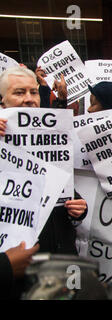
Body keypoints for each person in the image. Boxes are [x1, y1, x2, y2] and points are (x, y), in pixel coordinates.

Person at [0, 66, 88, 254]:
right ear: (2, 101)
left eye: (34, 92)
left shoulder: (52, 135)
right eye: (19, 92)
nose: (29, 99)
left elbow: (65, 189)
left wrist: (79, 207)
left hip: (60, 254)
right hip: (16, 260)